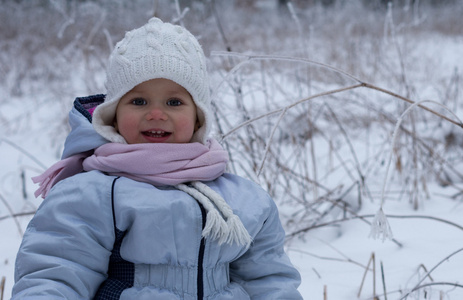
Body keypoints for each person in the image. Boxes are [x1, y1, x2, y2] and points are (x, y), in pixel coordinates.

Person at [12, 17, 302, 299]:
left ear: (198, 117)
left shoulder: (241, 199)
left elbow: (268, 280)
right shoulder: (91, 194)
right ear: (113, 115)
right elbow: (57, 273)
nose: (156, 113)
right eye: (139, 101)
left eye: (174, 102)